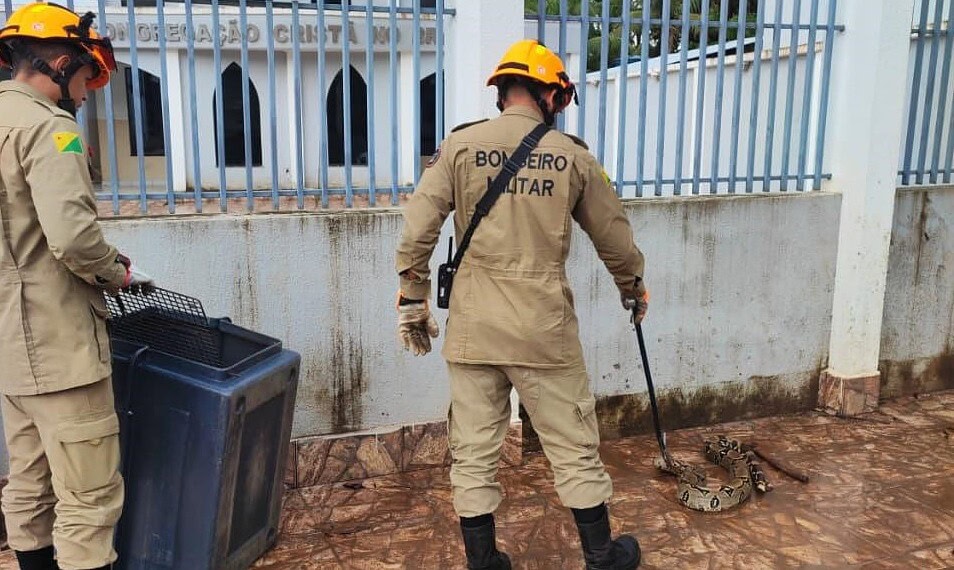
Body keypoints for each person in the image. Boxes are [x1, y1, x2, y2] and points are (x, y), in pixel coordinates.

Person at [394, 39, 648, 570]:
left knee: (474, 450)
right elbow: (614, 237)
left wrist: (412, 299)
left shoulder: (460, 147)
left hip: (473, 328)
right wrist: (633, 287)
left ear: (504, 90)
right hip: (543, 331)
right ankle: (602, 558)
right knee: (573, 445)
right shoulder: (574, 157)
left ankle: (484, 562)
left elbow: (417, 229)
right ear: (550, 94)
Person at [0, 3, 153, 569]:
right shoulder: (52, 129)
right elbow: (72, 237)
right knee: (89, 499)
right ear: (62, 63)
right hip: (60, 346)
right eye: (89, 78)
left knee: (28, 484)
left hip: (12, 354)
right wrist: (119, 272)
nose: (89, 94)